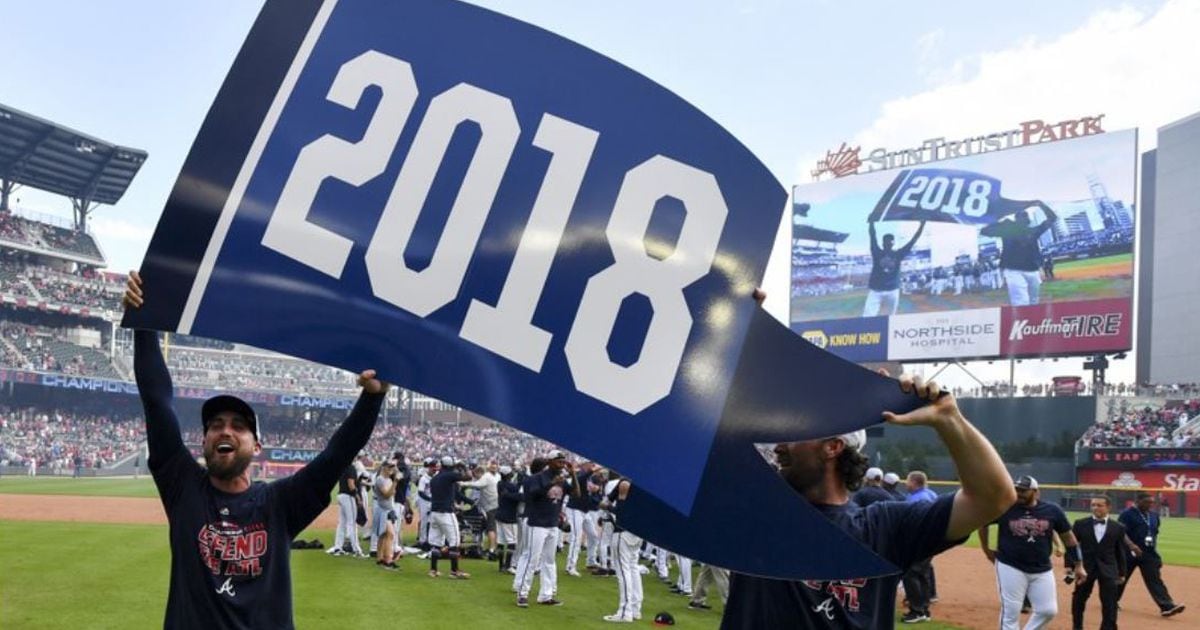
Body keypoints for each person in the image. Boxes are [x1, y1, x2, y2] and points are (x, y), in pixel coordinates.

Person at [122, 271, 388, 629]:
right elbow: (157, 403)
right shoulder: (183, 487)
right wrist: (144, 324)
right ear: (203, 442)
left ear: (257, 445)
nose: (224, 430)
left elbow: (336, 455)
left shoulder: (279, 504)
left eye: (238, 425)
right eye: (215, 425)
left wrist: (372, 398)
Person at [719, 371, 1015, 629]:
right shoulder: (757, 510)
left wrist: (949, 420)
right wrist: (741, 320)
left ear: (833, 447)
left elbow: (993, 497)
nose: (778, 446)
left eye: (794, 433)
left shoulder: (884, 527)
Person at [979, 476, 1081, 630]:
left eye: (1023, 491)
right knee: (1010, 612)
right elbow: (983, 523)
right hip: (1010, 565)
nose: (1018, 493)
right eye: (1016, 489)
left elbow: (1069, 539)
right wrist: (987, 550)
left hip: (1042, 567)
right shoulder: (1005, 507)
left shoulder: (1052, 510)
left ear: (1035, 492)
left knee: (1048, 610)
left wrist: (1079, 565)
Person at [514, 450, 578, 607]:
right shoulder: (538, 478)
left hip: (553, 524)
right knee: (532, 559)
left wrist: (573, 474)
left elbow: (576, 493)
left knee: (549, 561)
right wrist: (552, 483)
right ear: (549, 462)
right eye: (558, 461)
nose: (561, 464)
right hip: (537, 523)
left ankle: (546, 595)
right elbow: (532, 496)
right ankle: (522, 594)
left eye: (563, 462)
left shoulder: (562, 479)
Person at [1117, 492, 1185, 617]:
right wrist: (1131, 545)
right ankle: (1111, 601)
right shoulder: (1126, 514)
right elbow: (1121, 532)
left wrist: (1155, 556)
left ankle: (1166, 606)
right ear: (1138, 501)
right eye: (1147, 502)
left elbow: (1154, 533)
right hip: (1129, 553)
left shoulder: (1154, 515)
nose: (1150, 505)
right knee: (1122, 577)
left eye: (1152, 502)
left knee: (1155, 580)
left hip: (1148, 553)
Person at [980, 203, 1057, 306]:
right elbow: (984, 231)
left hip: (1032, 269)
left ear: (1027, 221)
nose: (1023, 220)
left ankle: (1031, 319)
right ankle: (1022, 319)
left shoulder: (1033, 231)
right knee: (1021, 301)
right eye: (1021, 218)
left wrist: (1041, 205)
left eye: (1024, 218)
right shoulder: (1007, 231)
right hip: (1013, 270)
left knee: (1033, 300)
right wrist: (1000, 218)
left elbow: (1052, 218)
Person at [1071, 495, 1128, 630]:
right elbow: (1072, 546)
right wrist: (1070, 566)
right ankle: (1077, 626)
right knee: (1079, 599)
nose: (1095, 508)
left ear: (1108, 507)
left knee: (1110, 602)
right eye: (1093, 505)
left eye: (1099, 505)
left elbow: (1120, 551)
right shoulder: (1080, 523)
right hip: (1086, 568)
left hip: (1109, 568)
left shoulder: (1118, 527)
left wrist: (1122, 572)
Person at [602, 473, 644, 623]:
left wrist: (608, 507)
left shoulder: (624, 484)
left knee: (623, 571)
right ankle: (635, 609)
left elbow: (622, 511)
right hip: (638, 531)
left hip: (623, 531)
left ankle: (625, 612)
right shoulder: (647, 483)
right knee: (633, 569)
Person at [863, 219, 925, 316]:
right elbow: (872, 236)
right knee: (870, 317)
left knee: (887, 318)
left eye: (890, 242)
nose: (889, 243)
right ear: (885, 243)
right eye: (887, 242)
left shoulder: (881, 252)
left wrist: (872, 223)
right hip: (878, 290)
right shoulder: (891, 253)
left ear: (892, 243)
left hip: (890, 290)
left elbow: (873, 236)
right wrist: (922, 225)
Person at [427, 456, 470, 579]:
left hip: (434, 512)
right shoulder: (449, 475)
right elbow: (468, 477)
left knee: (436, 543)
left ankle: (433, 570)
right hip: (446, 513)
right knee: (454, 541)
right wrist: (463, 466)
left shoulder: (434, 478)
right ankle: (454, 571)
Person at [329, 461, 367, 557]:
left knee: (341, 523)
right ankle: (356, 550)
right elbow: (351, 484)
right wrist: (357, 497)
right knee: (352, 523)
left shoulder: (343, 466)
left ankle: (338, 547)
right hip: (348, 496)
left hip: (341, 495)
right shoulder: (351, 468)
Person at [371, 460, 400, 570]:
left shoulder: (387, 479)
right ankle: (388, 560)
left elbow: (391, 493)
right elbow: (387, 494)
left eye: (392, 467)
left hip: (387, 509)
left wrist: (394, 478)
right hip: (383, 510)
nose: (391, 469)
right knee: (390, 535)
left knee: (383, 535)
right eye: (389, 467)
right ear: (383, 468)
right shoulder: (380, 479)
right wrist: (395, 482)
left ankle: (379, 559)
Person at [495, 465, 521, 573]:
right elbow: (520, 497)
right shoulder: (512, 487)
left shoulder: (499, 484)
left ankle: (501, 565)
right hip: (509, 516)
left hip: (500, 514)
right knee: (512, 541)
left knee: (501, 541)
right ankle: (508, 565)